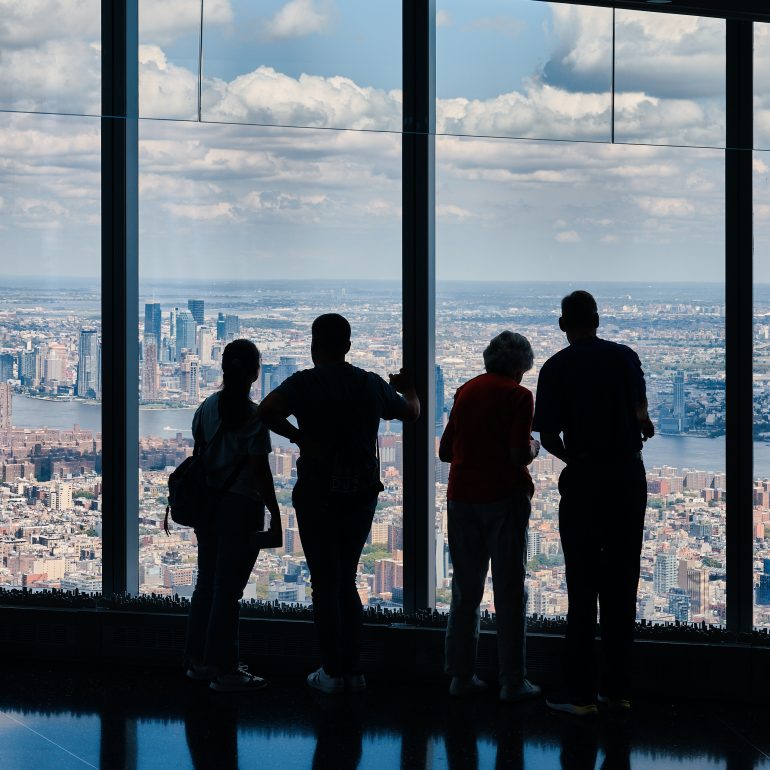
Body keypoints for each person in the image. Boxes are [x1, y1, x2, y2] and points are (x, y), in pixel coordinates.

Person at [257, 313, 420, 694]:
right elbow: (411, 413)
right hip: (360, 494)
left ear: (314, 346)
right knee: (346, 578)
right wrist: (409, 387)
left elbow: (265, 411)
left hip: (316, 493)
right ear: (348, 346)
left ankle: (331, 671)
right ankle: (352, 669)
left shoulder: (305, 383)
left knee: (324, 582)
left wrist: (300, 438)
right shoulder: (370, 384)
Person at [533, 290, 654, 716]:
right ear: (598, 320)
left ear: (562, 324)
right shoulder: (625, 358)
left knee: (581, 585)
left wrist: (577, 459)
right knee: (623, 582)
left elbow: (547, 437)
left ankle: (580, 694)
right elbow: (643, 417)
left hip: (584, 481)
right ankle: (617, 690)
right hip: (627, 477)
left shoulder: (555, 368)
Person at [439, 331, 541, 702]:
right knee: (510, 591)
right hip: (503, 498)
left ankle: (460, 676)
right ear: (519, 365)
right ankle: (512, 680)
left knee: (466, 590)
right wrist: (535, 445)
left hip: (462, 497)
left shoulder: (466, 390)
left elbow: (446, 451)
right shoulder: (518, 395)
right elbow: (518, 455)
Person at [184, 338, 280, 692]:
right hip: (241, 509)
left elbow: (198, 454)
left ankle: (198, 662)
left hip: (207, 505)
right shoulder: (255, 418)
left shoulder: (206, 408)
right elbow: (260, 472)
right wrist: (274, 510)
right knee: (228, 591)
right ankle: (224, 668)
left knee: (206, 584)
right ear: (255, 373)